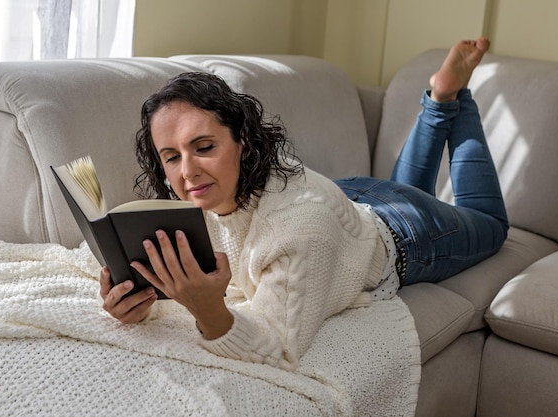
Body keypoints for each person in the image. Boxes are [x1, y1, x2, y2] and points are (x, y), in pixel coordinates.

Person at [100, 37, 508, 370]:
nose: (186, 172)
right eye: (171, 156)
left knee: (490, 223)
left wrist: (210, 312)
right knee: (403, 189)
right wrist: (134, 299)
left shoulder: (298, 230)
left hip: (403, 233)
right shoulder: (194, 196)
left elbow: (275, 348)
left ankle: (452, 96)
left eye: (204, 147)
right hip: (349, 197)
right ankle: (438, 101)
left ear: (242, 143)